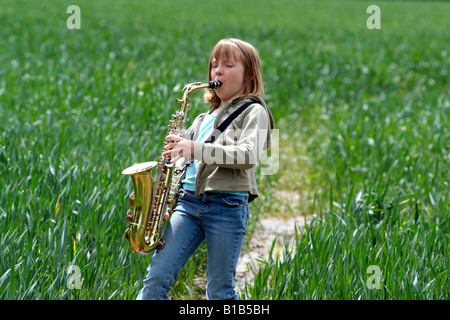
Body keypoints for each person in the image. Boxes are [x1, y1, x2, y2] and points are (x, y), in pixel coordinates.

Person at [136, 38, 275, 300]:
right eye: (214, 65)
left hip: (227, 205)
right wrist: (164, 200)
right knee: (155, 280)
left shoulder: (254, 111)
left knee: (219, 291)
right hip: (187, 205)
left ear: (250, 73)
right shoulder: (202, 118)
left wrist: (194, 148)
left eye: (228, 65)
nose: (217, 71)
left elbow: (248, 156)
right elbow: (181, 163)